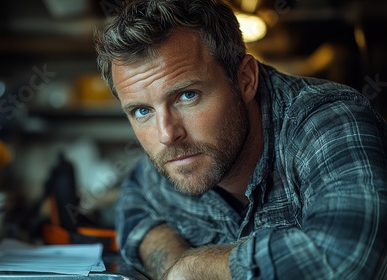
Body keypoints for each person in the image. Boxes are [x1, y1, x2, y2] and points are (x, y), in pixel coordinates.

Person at [94, 0, 387, 279]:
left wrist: (193, 268)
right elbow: (134, 199)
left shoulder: (329, 121)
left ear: (245, 79)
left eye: (187, 95)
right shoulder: (179, 151)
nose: (167, 135)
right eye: (142, 111)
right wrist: (170, 258)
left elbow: (346, 259)